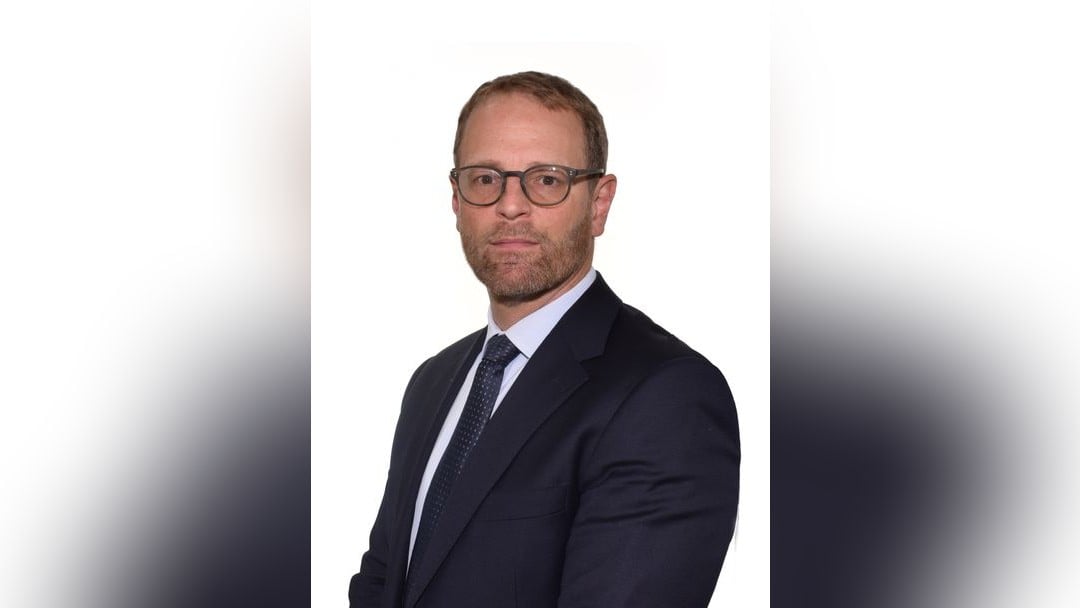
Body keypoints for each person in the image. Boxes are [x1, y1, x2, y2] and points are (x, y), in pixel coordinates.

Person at [349, 71, 739, 608]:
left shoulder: (665, 396)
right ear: (457, 200)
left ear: (599, 203)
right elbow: (383, 582)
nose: (511, 205)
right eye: (485, 178)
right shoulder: (431, 383)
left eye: (547, 179)